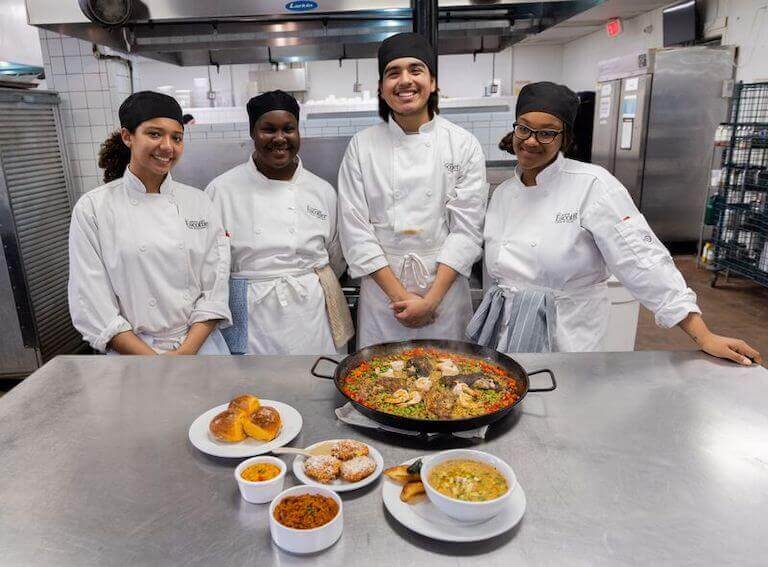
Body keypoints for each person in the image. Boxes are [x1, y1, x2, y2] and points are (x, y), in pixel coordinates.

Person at [467, 81, 762, 366]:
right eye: (524, 128)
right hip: (504, 336)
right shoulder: (504, 193)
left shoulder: (593, 186)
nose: (531, 140)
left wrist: (703, 335)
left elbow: (643, 261)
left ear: (563, 138)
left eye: (546, 133)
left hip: (567, 338)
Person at [338, 32, 488, 348]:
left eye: (415, 70)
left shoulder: (462, 144)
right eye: (393, 72)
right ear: (381, 88)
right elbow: (355, 232)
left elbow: (467, 231)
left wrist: (430, 302)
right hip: (384, 298)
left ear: (432, 82)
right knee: (380, 383)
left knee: (450, 384)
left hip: (444, 297)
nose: (405, 80)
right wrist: (399, 297)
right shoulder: (361, 147)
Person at [68, 91, 232, 355]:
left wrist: (184, 353)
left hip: (200, 351)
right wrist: (154, 361)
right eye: (155, 134)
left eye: (176, 137)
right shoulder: (93, 209)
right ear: (127, 136)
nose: (167, 146)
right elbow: (91, 301)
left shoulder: (199, 202)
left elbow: (216, 287)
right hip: (131, 355)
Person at [205, 90, 348, 355]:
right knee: (253, 390)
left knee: (314, 382)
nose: (280, 138)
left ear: (298, 131)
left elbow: (336, 256)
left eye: (288, 129)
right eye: (268, 129)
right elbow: (210, 263)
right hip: (250, 314)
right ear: (252, 133)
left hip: (310, 312)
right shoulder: (221, 190)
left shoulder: (321, 190)